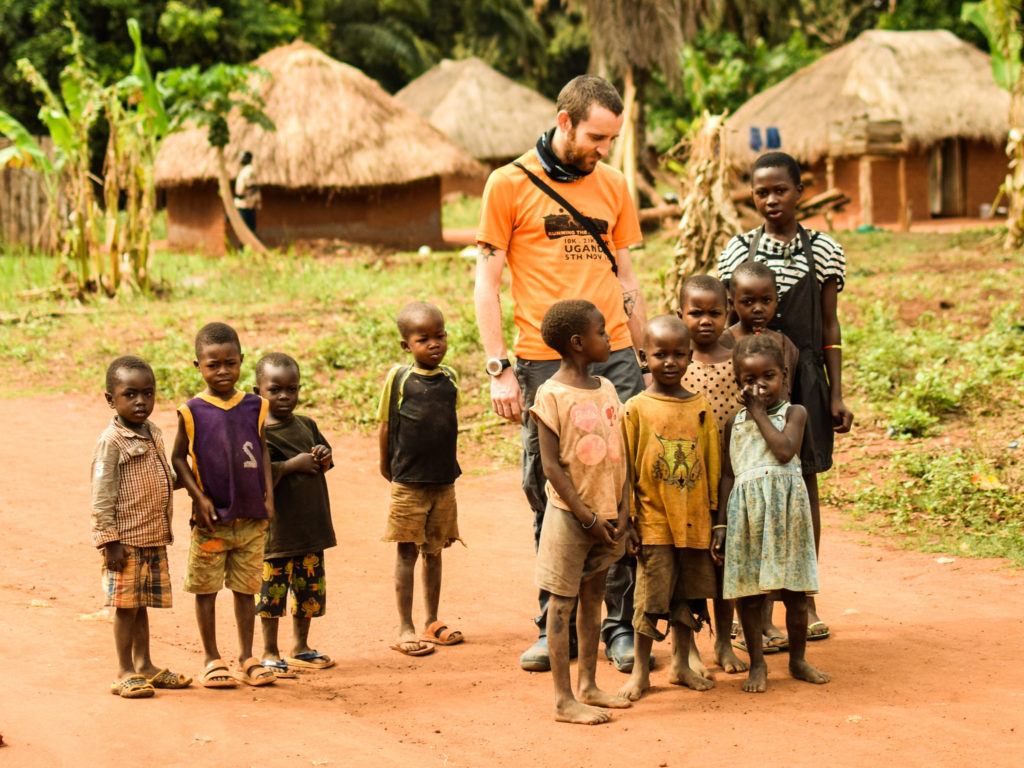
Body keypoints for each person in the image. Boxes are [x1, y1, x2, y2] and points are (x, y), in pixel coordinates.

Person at [475, 74, 648, 673]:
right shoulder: (508, 184)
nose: (604, 149)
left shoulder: (615, 185)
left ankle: (620, 625)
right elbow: (488, 283)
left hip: (616, 356)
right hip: (542, 362)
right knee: (547, 489)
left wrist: (644, 359)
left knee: (618, 484)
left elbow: (627, 280)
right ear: (566, 120)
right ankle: (558, 623)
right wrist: (499, 368)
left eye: (612, 139)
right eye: (597, 136)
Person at [717, 150, 854, 641]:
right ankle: (759, 611)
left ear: (800, 192)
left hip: (807, 384)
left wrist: (836, 393)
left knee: (803, 487)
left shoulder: (824, 250)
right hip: (747, 384)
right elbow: (722, 318)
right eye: (761, 192)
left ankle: (804, 598)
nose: (771, 200)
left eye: (780, 190)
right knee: (746, 484)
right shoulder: (736, 250)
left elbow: (830, 324)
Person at [529, 300, 632, 724]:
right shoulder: (550, 395)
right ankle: (562, 698)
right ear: (577, 342)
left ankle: (588, 684)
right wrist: (585, 517)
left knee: (594, 598)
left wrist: (623, 506)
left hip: (608, 516)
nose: (609, 338)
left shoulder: (607, 388)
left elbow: (620, 453)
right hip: (571, 519)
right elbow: (551, 466)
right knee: (561, 603)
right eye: (601, 331)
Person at [711, 335, 829, 692]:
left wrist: (759, 413)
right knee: (749, 593)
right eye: (749, 380)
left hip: (786, 515)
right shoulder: (735, 424)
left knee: (794, 593)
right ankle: (758, 665)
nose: (759, 386)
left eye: (768, 377)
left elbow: (783, 450)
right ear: (737, 382)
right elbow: (729, 475)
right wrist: (720, 523)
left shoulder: (795, 413)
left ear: (784, 376)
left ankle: (797, 659)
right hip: (747, 516)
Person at [617, 316, 720, 703]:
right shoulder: (636, 409)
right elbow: (625, 467)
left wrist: (714, 518)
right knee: (649, 596)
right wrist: (628, 520)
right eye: (661, 354)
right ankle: (641, 671)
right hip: (654, 520)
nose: (671, 362)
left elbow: (711, 464)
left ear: (691, 356)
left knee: (687, 594)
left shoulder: (700, 407)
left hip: (694, 521)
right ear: (645, 356)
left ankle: (680, 664)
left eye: (679, 354)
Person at [171, 322, 277, 689]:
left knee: (247, 588)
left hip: (250, 516)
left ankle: (248, 655)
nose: (222, 371)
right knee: (206, 588)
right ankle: (212, 657)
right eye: (212, 365)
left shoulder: (256, 406)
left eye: (230, 363)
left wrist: (269, 496)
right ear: (197, 365)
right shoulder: (191, 411)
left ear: (242, 362)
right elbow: (179, 459)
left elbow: (262, 449)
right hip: (211, 520)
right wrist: (198, 499)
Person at [92, 356, 191, 698]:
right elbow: (102, 496)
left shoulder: (153, 433)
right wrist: (109, 541)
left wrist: (190, 480)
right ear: (111, 400)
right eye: (130, 394)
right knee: (125, 607)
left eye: (147, 394)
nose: (140, 402)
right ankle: (124, 670)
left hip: (152, 536)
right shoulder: (111, 442)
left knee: (142, 603)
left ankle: (145, 665)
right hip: (126, 541)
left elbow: (163, 476)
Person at [378, 302, 464, 658]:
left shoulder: (450, 378)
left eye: (440, 336)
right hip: (409, 482)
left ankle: (432, 620)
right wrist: (387, 466)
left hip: (443, 482)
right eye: (423, 339)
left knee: (435, 551)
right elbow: (385, 425)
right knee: (406, 552)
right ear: (406, 346)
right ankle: (405, 626)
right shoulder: (398, 379)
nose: (434, 344)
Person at [677, 275, 749, 674]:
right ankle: (687, 648)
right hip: (685, 478)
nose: (706, 321)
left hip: (729, 476)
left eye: (715, 313)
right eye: (695, 313)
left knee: (725, 563)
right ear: (680, 314)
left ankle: (723, 641)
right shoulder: (673, 357)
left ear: (729, 313)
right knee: (687, 565)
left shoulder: (738, 357)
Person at [253, 352, 337, 674]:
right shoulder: (258, 432)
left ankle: (300, 646)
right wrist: (289, 466)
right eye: (275, 390)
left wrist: (322, 455)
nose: (285, 396)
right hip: (277, 534)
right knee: (272, 596)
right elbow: (257, 475)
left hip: (310, 530)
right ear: (257, 390)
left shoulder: (307, 425)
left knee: (308, 594)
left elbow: (325, 462)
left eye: (292, 389)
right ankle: (269, 650)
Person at [234, 151, 260, 234]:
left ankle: (246, 246)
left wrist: (244, 197)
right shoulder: (245, 170)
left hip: (246, 204)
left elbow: (252, 187)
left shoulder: (249, 171)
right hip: (243, 204)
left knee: (246, 229)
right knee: (244, 228)